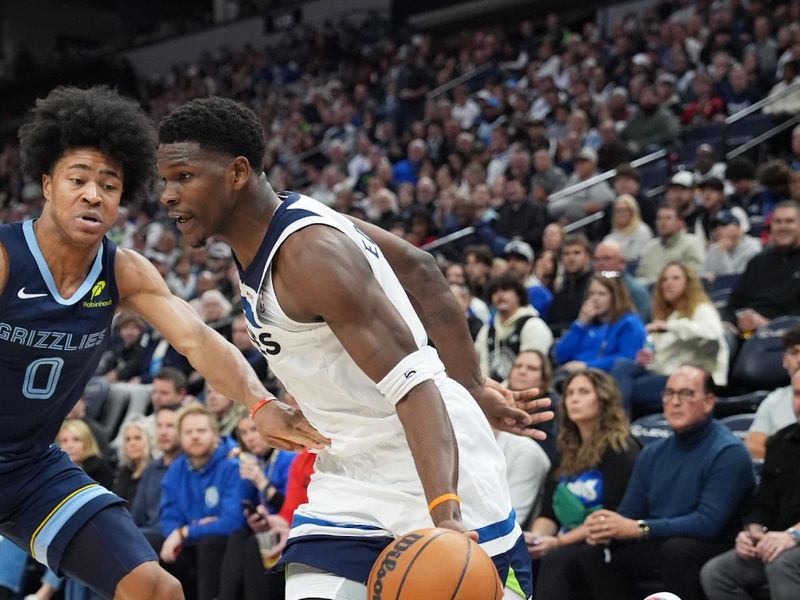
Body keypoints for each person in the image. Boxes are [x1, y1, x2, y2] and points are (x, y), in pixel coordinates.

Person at [157, 96, 553, 599]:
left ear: (236, 173)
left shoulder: (309, 256)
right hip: (352, 472)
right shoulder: (279, 223)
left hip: (434, 464)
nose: (167, 195)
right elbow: (419, 269)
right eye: (165, 180)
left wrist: (447, 514)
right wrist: (474, 387)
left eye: (183, 177)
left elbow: (415, 388)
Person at [0, 86, 324, 600]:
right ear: (46, 184)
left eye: (109, 185)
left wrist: (259, 400)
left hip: (33, 469)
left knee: (156, 589)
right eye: (77, 180)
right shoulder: (5, 256)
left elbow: (196, 340)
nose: (93, 194)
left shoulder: (123, 271)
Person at [578, 366, 756, 600]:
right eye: (669, 393)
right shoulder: (652, 453)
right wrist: (605, 528)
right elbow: (629, 513)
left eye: (686, 394)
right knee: (593, 553)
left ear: (709, 401)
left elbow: (707, 524)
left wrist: (640, 528)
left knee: (678, 550)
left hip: (712, 545)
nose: (675, 402)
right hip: (661, 541)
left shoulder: (728, 452)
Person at [525, 369, 640, 600]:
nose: (574, 399)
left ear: (603, 399)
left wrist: (557, 542)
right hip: (564, 541)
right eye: (569, 393)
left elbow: (609, 516)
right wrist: (537, 540)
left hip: (604, 541)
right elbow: (548, 512)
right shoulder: (565, 452)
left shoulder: (620, 449)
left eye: (584, 392)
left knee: (557, 559)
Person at [700, 370, 800, 600]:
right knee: (717, 572)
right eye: (797, 394)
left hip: (789, 545)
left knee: (782, 563)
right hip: (781, 542)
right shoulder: (780, 442)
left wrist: (793, 535)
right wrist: (753, 531)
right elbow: (764, 503)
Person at [611, 262, 728, 416]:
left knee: (625, 389)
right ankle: (618, 421)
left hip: (693, 379)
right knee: (622, 366)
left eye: (675, 278)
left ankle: (616, 424)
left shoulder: (701, 309)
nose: (668, 283)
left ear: (688, 283)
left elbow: (712, 335)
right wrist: (648, 361)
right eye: (664, 280)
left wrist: (669, 326)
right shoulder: (668, 315)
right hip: (663, 375)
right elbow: (662, 362)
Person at [723, 201, 800, 338]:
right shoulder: (757, 261)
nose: (783, 226)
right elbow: (734, 303)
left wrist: (769, 324)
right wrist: (730, 321)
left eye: (789, 221)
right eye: (777, 222)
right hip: (747, 335)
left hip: (790, 336)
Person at [553, 274, 646, 373]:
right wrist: (579, 325)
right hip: (573, 376)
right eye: (591, 294)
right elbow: (560, 356)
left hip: (605, 379)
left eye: (601, 294)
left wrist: (587, 366)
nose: (594, 299)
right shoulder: (585, 324)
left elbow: (626, 359)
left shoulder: (629, 323)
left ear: (615, 297)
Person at [475, 273, 553, 381]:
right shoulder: (486, 331)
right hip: (493, 393)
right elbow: (482, 370)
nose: (500, 295)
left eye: (506, 290)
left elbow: (531, 372)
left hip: (528, 392)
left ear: (519, 295)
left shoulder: (534, 326)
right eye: (495, 292)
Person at [744, 325, 800, 459]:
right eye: (794, 352)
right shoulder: (773, 400)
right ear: (785, 360)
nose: (799, 359)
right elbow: (751, 446)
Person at [130, 406, 182, 551]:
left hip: (173, 535)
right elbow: (137, 515)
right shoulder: (151, 468)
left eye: (170, 426)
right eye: (159, 425)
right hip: (148, 534)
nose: (163, 432)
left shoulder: (187, 466)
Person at [636, 204, 705, 283]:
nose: (662, 222)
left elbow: (692, 276)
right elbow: (640, 276)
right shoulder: (650, 247)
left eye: (668, 218)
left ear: (679, 222)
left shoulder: (692, 243)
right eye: (659, 218)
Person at [546, 234, 594, 336]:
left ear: (588, 256)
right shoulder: (560, 289)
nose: (571, 258)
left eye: (577, 253)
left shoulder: (596, 287)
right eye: (566, 254)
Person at [592, 240, 650, 321]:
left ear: (621, 263)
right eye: (597, 259)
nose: (600, 264)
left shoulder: (636, 291)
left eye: (606, 258)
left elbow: (639, 326)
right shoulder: (591, 287)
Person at [701, 209, 762, 280]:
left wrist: (722, 254)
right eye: (715, 227)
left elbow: (733, 281)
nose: (718, 230)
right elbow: (701, 274)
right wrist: (706, 276)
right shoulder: (714, 247)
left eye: (724, 225)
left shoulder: (752, 249)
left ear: (737, 227)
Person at [114, 416, 156, 504]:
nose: (132, 443)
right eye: (127, 439)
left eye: (137, 438)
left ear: (149, 440)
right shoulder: (123, 471)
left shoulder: (154, 472)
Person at [602, 194, 653, 262]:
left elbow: (636, 258)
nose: (621, 214)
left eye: (625, 210)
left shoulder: (642, 231)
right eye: (618, 211)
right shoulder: (610, 236)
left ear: (633, 212)